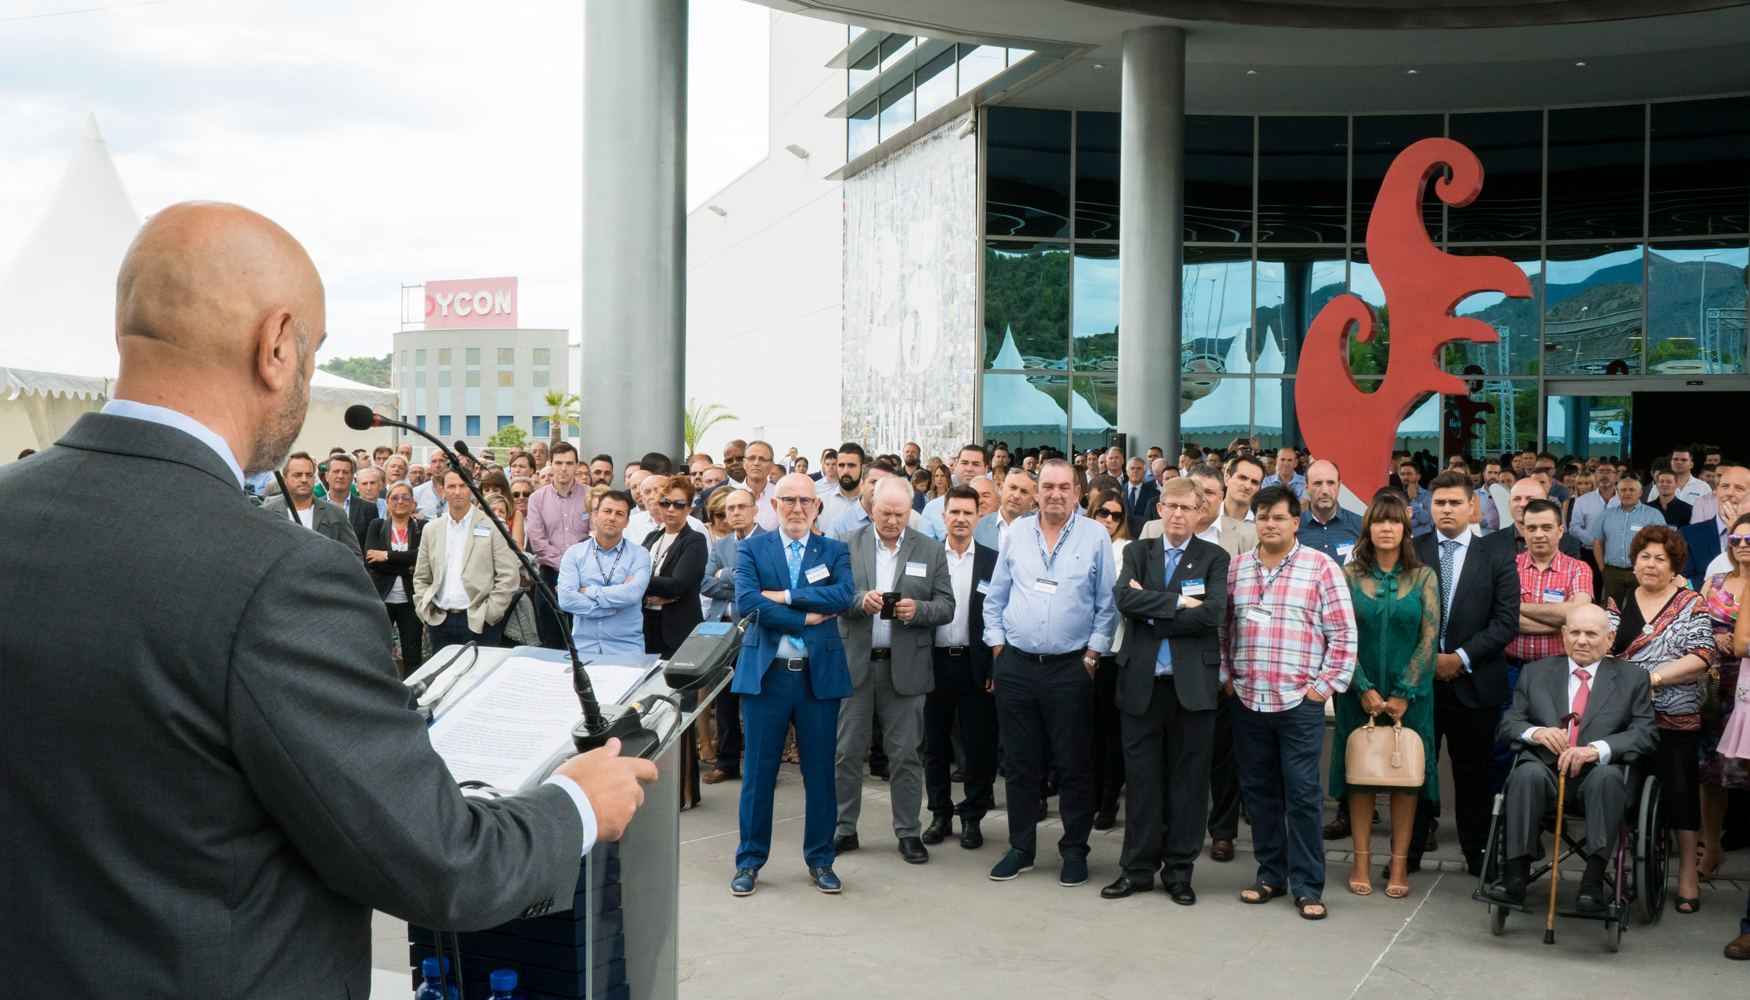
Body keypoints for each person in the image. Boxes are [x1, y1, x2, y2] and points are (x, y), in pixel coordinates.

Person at [0, 200, 654, 994]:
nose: (306, 377)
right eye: (313, 353)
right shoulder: (280, 575)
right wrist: (575, 804)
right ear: (276, 345)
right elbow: (440, 865)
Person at [1222, 486, 1356, 919]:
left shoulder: (1321, 568)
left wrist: (1321, 689)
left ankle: (1307, 884)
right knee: (1259, 794)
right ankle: (1269, 876)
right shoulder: (1237, 570)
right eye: (1262, 518)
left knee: (1301, 795)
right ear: (1254, 522)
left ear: (1295, 522)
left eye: (1279, 517)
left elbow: (1344, 635)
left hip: (1300, 703)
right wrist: (1227, 678)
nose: (1270, 524)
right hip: (1248, 700)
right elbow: (1222, 630)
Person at [982, 459, 1117, 887]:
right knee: (1021, 765)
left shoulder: (1095, 535)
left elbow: (1107, 606)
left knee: (1075, 765)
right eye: (1048, 487)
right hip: (1017, 665)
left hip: (1070, 668)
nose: (1055, 494)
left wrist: (1092, 658)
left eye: (1064, 487)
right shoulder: (1017, 533)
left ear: (1078, 492)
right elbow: (995, 596)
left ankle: (1074, 850)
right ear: (1036, 491)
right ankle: (1021, 848)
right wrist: (998, 648)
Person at [1103, 477, 1230, 904]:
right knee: (1141, 782)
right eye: (1171, 506)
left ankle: (1178, 872)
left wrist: (1152, 605)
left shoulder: (1215, 556)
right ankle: (1136, 870)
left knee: (1189, 784)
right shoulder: (1138, 551)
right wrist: (1178, 603)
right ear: (1159, 509)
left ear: (1200, 512)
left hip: (1192, 688)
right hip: (1142, 685)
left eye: (1187, 508)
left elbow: (1213, 613)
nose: (1178, 514)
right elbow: (1123, 600)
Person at [1485, 605, 1658, 911]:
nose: (1582, 640)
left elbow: (1646, 733)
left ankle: (1592, 882)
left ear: (1609, 639)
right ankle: (1515, 877)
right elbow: (1508, 724)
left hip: (1599, 777)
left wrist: (1596, 750)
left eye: (1591, 633)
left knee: (1606, 777)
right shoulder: (1535, 672)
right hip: (1547, 776)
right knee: (1525, 774)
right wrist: (1535, 732)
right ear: (1563, 635)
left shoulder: (1633, 678)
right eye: (1575, 632)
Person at [730, 474, 854, 896]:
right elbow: (747, 602)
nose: (797, 508)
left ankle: (821, 861)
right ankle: (749, 861)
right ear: (775, 504)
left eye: (805, 500)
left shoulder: (834, 550)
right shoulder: (750, 547)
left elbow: (843, 596)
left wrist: (782, 597)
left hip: (818, 678)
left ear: (817, 506)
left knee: (820, 774)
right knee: (758, 774)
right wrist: (804, 617)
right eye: (788, 500)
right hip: (767, 677)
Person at [1403, 470, 1519, 877]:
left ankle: (1477, 856)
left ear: (1473, 506)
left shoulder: (1498, 554)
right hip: (1420, 684)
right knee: (1415, 772)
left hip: (1476, 682)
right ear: (1429, 507)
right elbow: (1402, 617)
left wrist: (1459, 658)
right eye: (1439, 503)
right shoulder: (1412, 551)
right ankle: (1408, 855)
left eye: (1455, 502)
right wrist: (1426, 660)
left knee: (1475, 776)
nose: (1447, 509)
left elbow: (1506, 622)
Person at [832, 477, 954, 863]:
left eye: (900, 514)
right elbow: (830, 597)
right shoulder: (846, 545)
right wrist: (858, 602)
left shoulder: (931, 549)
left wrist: (918, 611)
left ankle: (907, 832)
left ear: (910, 513)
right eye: (885, 513)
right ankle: (843, 828)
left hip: (905, 668)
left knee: (905, 756)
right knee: (847, 753)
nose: (891, 521)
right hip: (854, 665)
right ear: (871, 507)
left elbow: (947, 605)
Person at [1330, 494, 1439, 899]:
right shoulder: (1348, 574)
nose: (1386, 529)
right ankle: (1359, 861)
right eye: (1379, 522)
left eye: (1394, 522)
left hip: (1412, 694)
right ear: (1368, 529)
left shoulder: (1425, 576)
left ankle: (1398, 865)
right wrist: (1362, 687)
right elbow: (1339, 634)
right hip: (1357, 689)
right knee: (1361, 776)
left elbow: (1429, 636)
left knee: (1404, 779)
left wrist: (1404, 692)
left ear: (1406, 529)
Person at [1605, 524, 1714, 913]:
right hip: (1625, 717)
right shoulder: (1618, 600)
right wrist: (1630, 684)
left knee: (1682, 795)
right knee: (1623, 793)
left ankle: (1686, 873)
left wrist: (1648, 677)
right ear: (1634, 562)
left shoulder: (1692, 603)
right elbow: (1605, 650)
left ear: (1674, 566)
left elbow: (1701, 657)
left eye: (1660, 559)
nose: (1650, 565)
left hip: (1676, 716)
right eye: (1644, 557)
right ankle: (1623, 867)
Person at [922, 485, 1000, 851]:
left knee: (978, 747)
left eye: (968, 512)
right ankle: (939, 813)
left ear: (978, 516)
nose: (961, 519)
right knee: (935, 745)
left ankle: (973, 817)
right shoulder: (927, 557)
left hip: (976, 664)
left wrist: (995, 666)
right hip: (933, 664)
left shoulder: (993, 561)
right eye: (955, 512)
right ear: (944, 516)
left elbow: (1001, 615)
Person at [414, 469, 522, 649]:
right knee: (445, 677)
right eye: (452, 486)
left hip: (480, 622)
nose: (457, 491)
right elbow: (421, 576)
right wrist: (424, 607)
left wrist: (490, 613)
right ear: (443, 490)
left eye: (463, 485)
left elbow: (508, 577)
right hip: (440, 621)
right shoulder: (431, 529)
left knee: (481, 676)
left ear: (471, 488)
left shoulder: (494, 526)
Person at [1698, 512, 1750, 881]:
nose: (1743, 545)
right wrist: (1715, 638)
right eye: (1736, 540)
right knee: (1711, 771)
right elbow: (1694, 623)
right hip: (1715, 687)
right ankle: (1711, 846)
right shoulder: (1715, 582)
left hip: (1748, 690)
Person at [556, 490, 651, 657]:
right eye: (607, 511)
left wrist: (586, 591)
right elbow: (566, 600)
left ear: (627, 522)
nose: (612, 518)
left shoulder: (639, 554)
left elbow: (632, 595)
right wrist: (612, 608)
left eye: (619, 514)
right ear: (595, 515)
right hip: (583, 649)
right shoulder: (574, 553)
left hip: (626, 649)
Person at [1087, 487, 1133, 829]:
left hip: (1112, 652)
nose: (1109, 520)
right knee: (1084, 730)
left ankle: (1108, 798)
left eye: (1116, 515)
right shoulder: (1078, 543)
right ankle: (1089, 792)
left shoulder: (1126, 550)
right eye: (1103, 512)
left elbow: (1119, 599)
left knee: (1110, 729)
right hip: (1075, 649)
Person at [524, 441, 593, 651]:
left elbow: (594, 535)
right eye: (559, 463)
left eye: (569, 463)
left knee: (583, 642)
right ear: (550, 464)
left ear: (577, 465)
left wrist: (575, 568)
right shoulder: (536, 499)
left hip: (586, 576)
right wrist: (568, 565)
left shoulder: (591, 495)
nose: (564, 468)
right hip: (549, 576)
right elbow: (538, 543)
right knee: (551, 642)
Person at [639, 475, 707, 659]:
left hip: (678, 632)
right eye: (665, 503)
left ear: (689, 509)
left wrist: (639, 582)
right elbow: (629, 576)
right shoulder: (651, 538)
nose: (670, 509)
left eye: (678, 504)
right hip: (646, 628)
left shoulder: (695, 540)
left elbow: (676, 584)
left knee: (677, 687)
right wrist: (648, 599)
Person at [365, 480, 425, 679]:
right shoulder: (377, 525)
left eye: (405, 497)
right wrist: (408, 566)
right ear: (388, 502)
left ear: (412, 502)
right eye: (395, 497)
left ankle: (411, 699)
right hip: (382, 599)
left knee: (412, 654)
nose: (400, 501)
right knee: (379, 654)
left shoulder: (422, 526)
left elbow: (423, 557)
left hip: (411, 600)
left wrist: (388, 556)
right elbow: (372, 561)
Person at [262, 452, 363, 558]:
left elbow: (354, 557)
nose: (304, 480)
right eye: (298, 475)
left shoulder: (335, 513)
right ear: (284, 480)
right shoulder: (266, 514)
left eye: (309, 475)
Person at [1593, 469, 1666, 597]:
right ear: (1618, 492)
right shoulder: (1606, 514)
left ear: (1640, 492)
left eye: (1631, 490)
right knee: (1613, 611)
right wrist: (1603, 569)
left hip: (1642, 571)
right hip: (1612, 573)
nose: (1627, 493)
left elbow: (1663, 543)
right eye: (1623, 490)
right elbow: (1598, 542)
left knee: (1641, 609)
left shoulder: (1653, 514)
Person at [1681, 463, 1750, 585]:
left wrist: (1735, 531)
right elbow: (1685, 582)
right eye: (1724, 486)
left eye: (1739, 488)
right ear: (1716, 492)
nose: (1729, 493)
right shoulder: (1689, 535)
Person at [920, 443, 989, 540]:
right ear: (955, 466)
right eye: (964, 463)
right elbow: (926, 550)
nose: (969, 469)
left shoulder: (993, 507)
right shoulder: (933, 508)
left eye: (976, 464)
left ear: (986, 470)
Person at [1297, 459, 1362, 562]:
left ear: (1339, 486)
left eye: (1331, 483)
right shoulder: (1293, 527)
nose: (1325, 491)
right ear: (1306, 487)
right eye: (1318, 483)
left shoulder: (1360, 525)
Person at [975, 468, 1035, 550]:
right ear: (1001, 488)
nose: (1016, 495)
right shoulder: (978, 526)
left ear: (1032, 499)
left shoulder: (1039, 528)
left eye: (1024, 491)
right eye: (1013, 488)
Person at [1119, 457, 1160, 539]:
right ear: (1127, 472)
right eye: (1132, 468)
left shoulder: (1154, 493)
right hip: (1122, 534)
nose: (1135, 471)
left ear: (1144, 473)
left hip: (1144, 536)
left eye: (1139, 468)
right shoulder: (1118, 491)